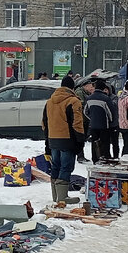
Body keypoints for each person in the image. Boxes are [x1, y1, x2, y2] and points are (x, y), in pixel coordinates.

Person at [42, 75, 86, 205]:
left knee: (55, 166)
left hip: (53, 139)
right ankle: (62, 197)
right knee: (66, 167)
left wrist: (47, 144)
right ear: (72, 87)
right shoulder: (73, 101)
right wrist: (80, 142)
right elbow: (77, 124)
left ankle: (56, 195)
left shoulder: (49, 102)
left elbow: (45, 123)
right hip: (68, 140)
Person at [83, 78, 116, 162]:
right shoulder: (105, 99)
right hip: (104, 125)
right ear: (103, 88)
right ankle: (105, 157)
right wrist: (110, 121)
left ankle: (95, 158)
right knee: (105, 142)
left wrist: (92, 118)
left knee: (94, 142)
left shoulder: (89, 98)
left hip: (93, 125)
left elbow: (85, 111)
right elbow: (110, 113)